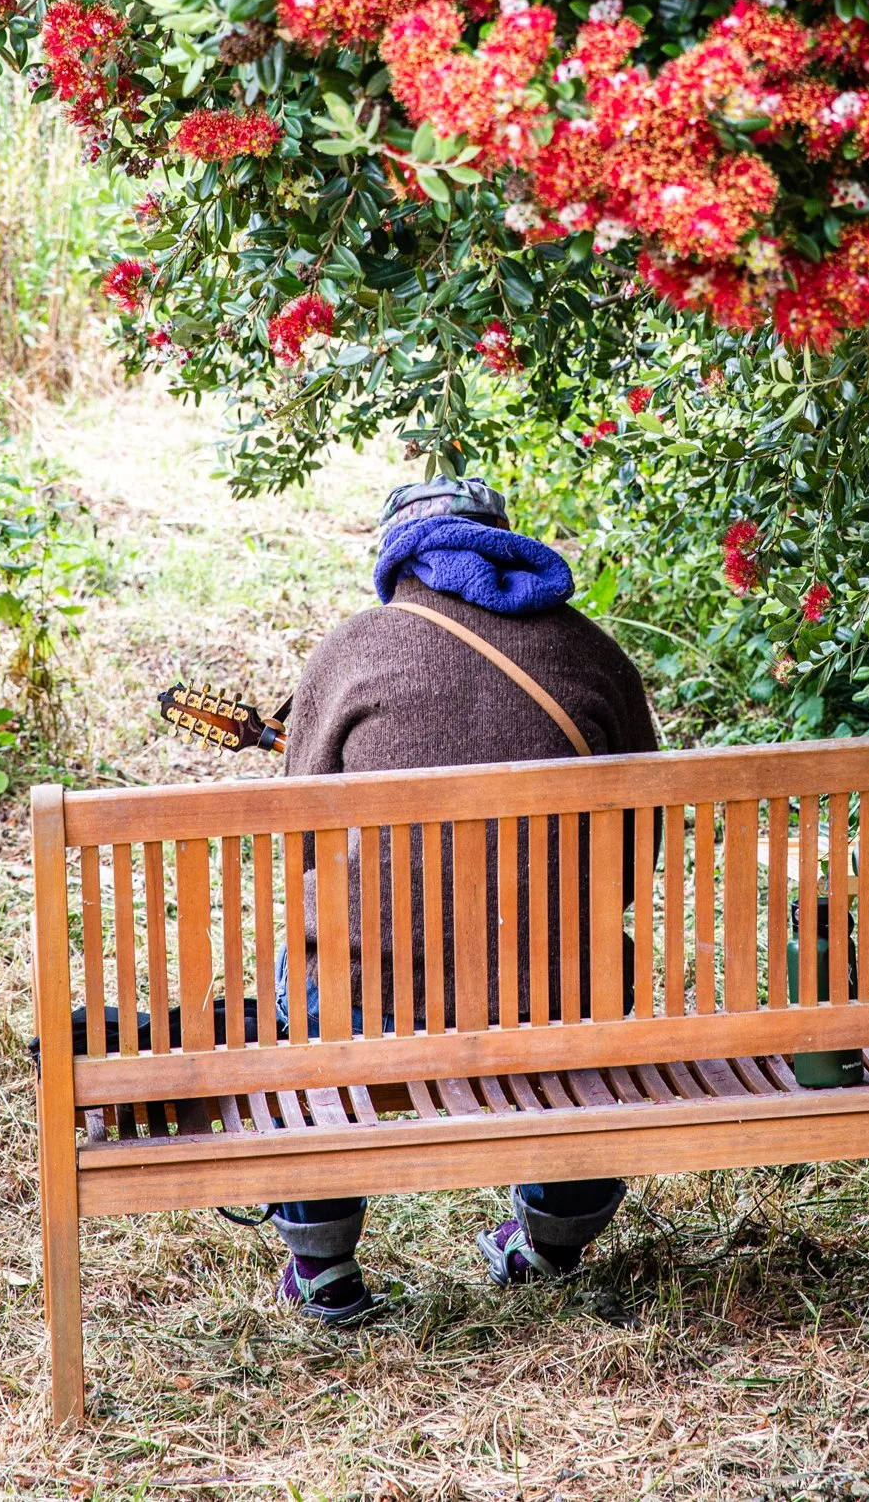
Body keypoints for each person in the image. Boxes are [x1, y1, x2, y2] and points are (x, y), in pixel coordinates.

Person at [271, 475, 660, 1324]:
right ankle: (553, 1242)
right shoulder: (593, 653)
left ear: (399, 559)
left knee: (305, 969)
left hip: (368, 1009)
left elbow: (300, 846)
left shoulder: (352, 649)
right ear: (504, 547)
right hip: (556, 1003)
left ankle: (324, 1263)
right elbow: (638, 856)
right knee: (593, 969)